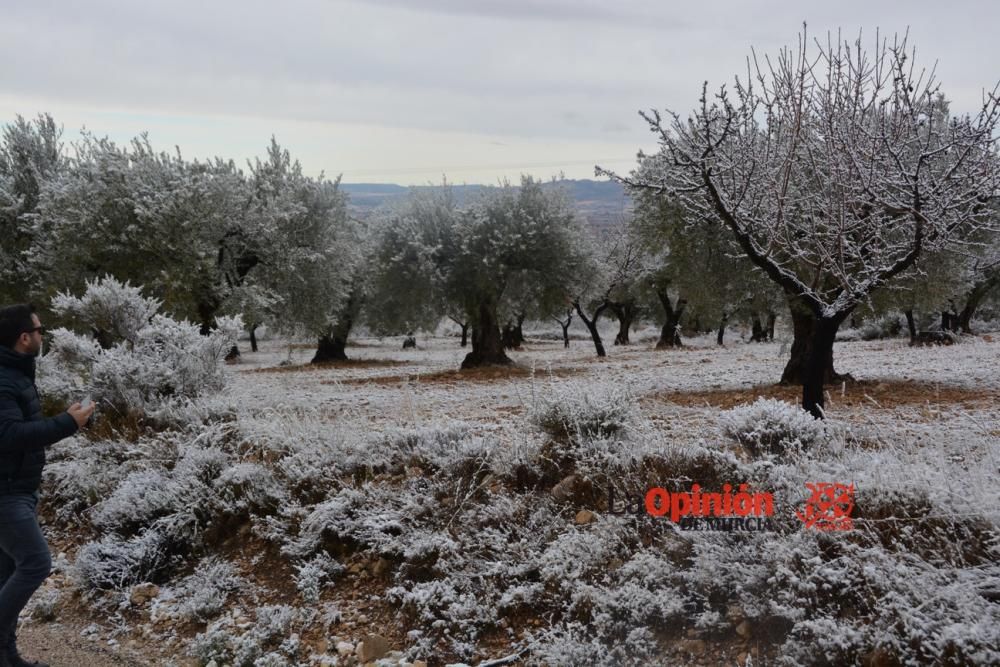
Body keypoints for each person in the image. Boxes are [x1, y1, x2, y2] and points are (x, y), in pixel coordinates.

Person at [0, 304, 93, 667]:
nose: (43, 335)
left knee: (7, 573)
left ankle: (6, 657)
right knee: (36, 563)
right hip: (5, 492)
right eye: (40, 330)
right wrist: (68, 423)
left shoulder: (16, 372)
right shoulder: (5, 379)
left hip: (17, 488)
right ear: (25, 337)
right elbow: (8, 435)